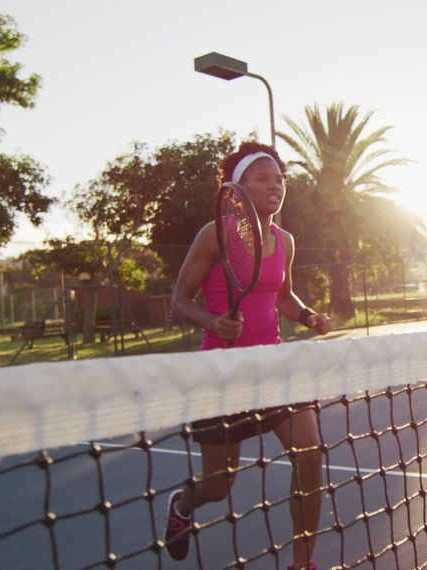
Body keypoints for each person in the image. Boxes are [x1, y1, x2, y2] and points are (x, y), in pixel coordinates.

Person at [165, 141, 331, 570]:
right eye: (263, 178)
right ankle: (184, 502)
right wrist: (211, 322)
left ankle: (302, 564)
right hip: (220, 375)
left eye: (279, 179)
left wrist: (308, 316)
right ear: (237, 188)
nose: (275, 186)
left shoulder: (286, 241)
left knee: (310, 457)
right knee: (219, 487)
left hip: (274, 368)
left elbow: (283, 296)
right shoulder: (213, 234)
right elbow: (180, 299)